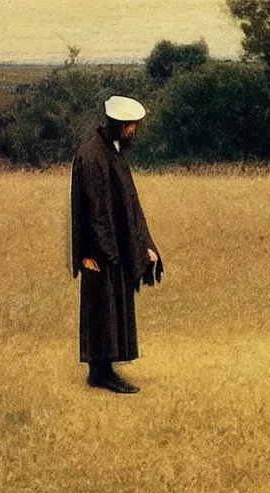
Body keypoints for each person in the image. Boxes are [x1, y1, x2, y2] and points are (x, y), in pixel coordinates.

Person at [70, 95, 163, 394]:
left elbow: (129, 205)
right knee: (103, 310)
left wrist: (143, 244)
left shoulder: (110, 151)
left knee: (110, 310)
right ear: (120, 125)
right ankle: (102, 374)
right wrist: (93, 253)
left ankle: (103, 372)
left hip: (114, 247)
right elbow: (93, 211)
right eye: (132, 126)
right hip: (101, 252)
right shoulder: (93, 156)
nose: (134, 131)